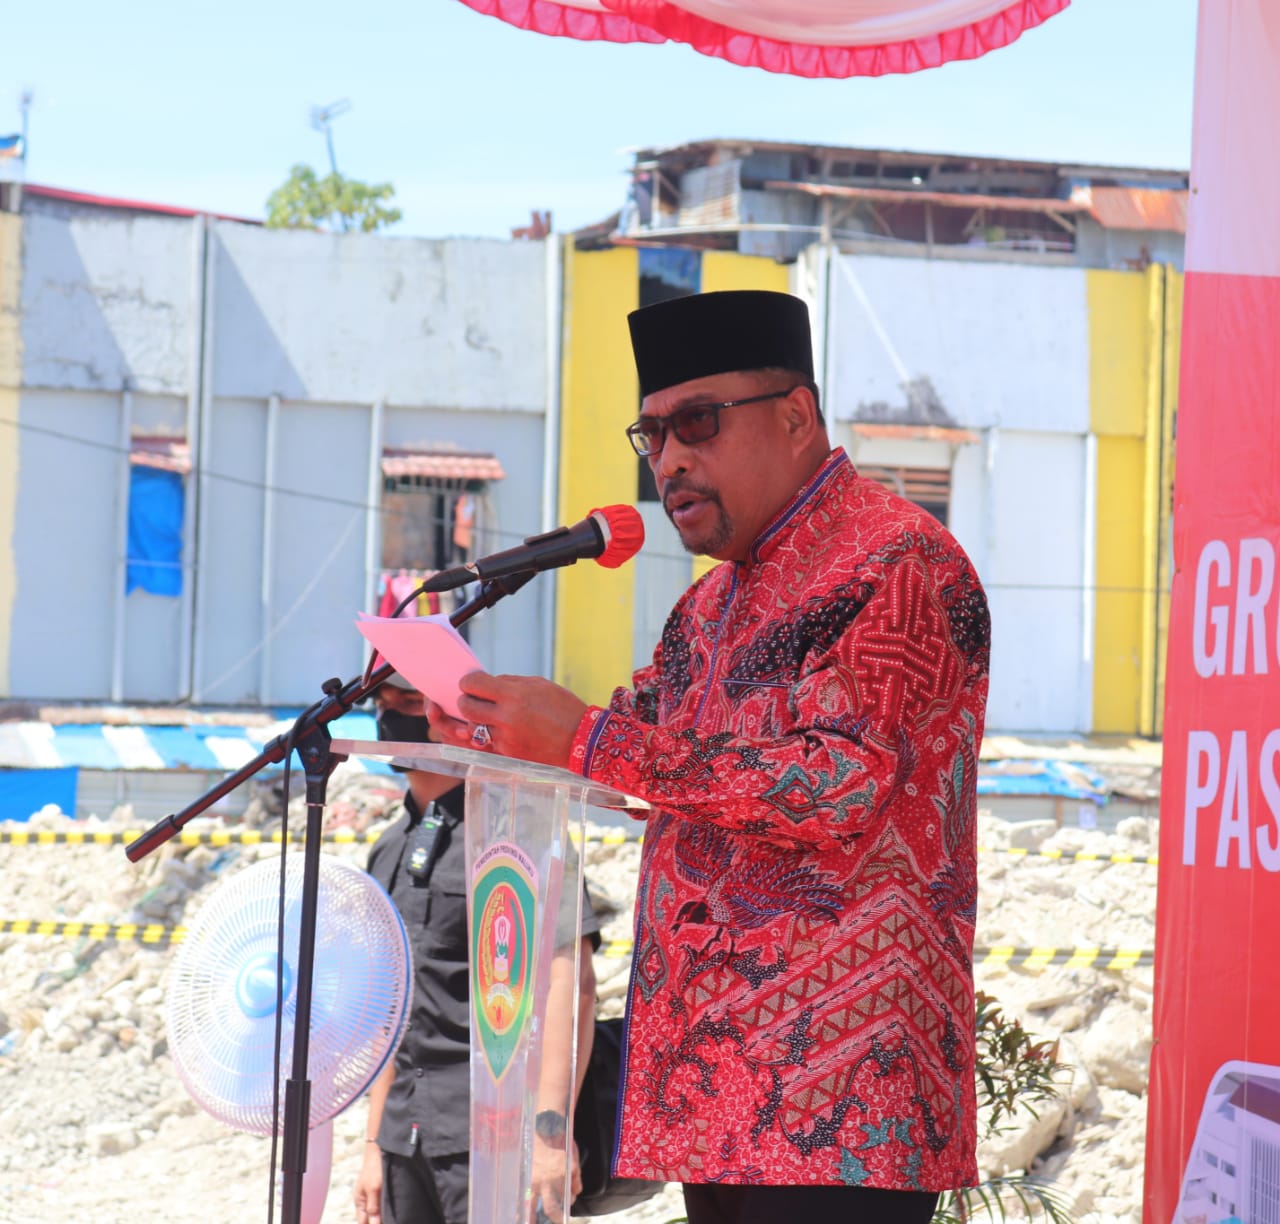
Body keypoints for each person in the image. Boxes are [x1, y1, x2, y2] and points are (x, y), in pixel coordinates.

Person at [426, 289, 992, 1224]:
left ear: (796, 415)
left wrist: (584, 736)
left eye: (696, 423)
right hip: (714, 1101)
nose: (669, 460)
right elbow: (636, 750)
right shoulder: (708, 607)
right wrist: (492, 728)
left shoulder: (897, 562)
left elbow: (838, 786)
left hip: (839, 1106)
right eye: (651, 435)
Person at [354, 673, 600, 1224]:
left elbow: (569, 981)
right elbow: (388, 1010)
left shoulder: (519, 830)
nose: (391, 713)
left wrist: (551, 1133)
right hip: (403, 1137)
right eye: (382, 701)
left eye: (410, 699)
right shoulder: (389, 847)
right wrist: (373, 1146)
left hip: (495, 1138)